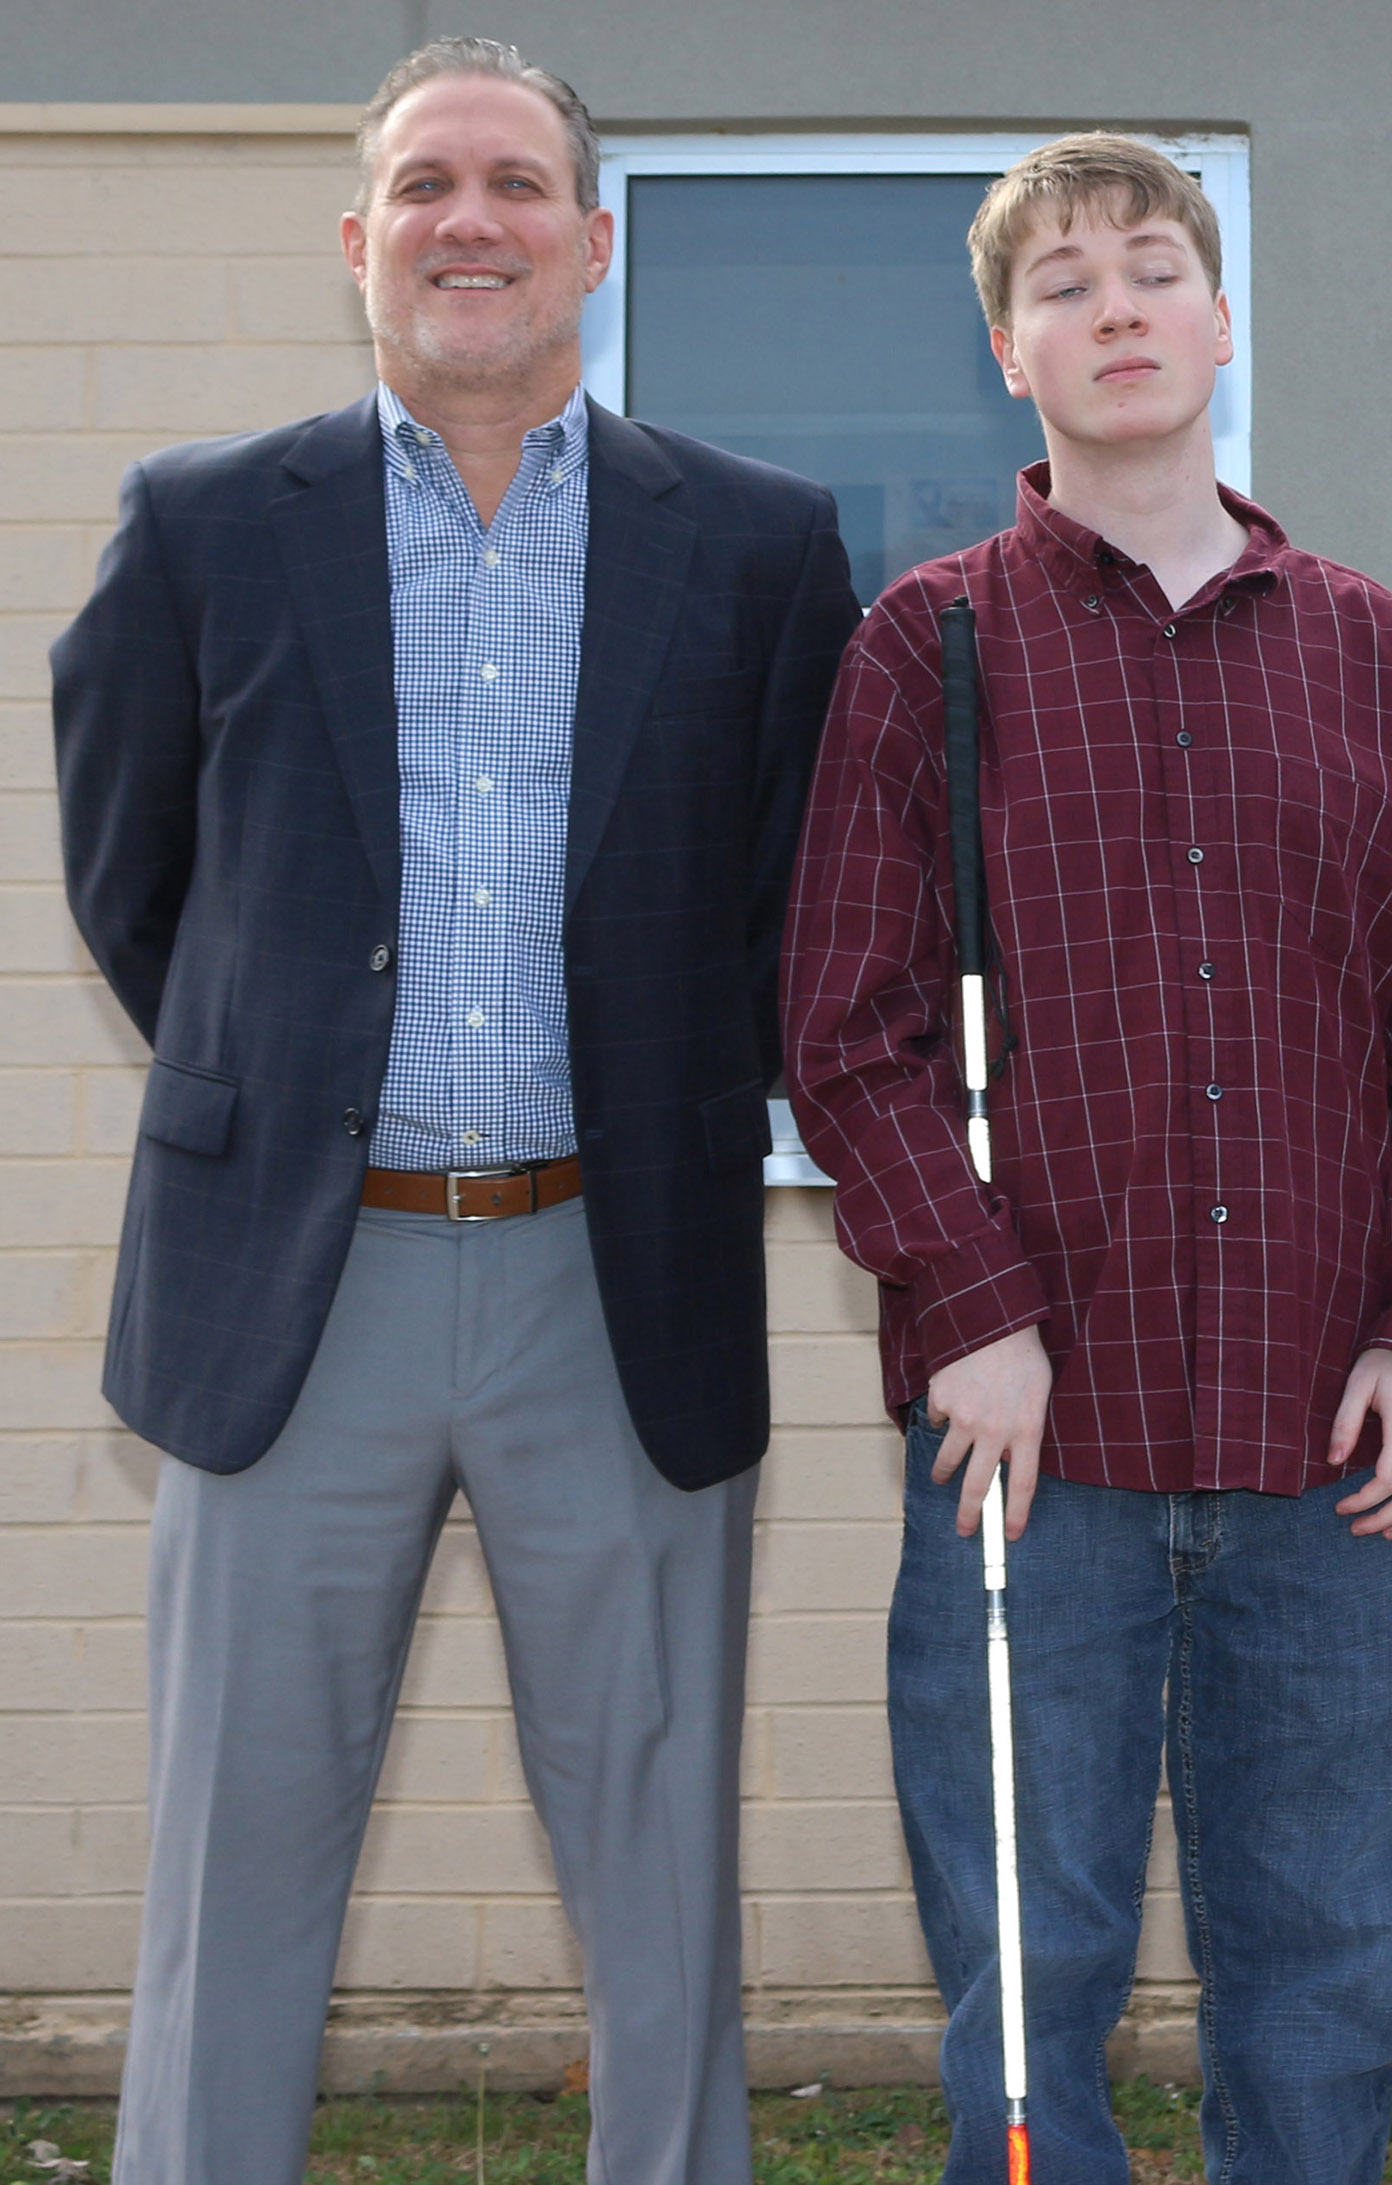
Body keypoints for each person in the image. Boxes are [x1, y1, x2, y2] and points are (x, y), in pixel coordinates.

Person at [50, 36, 859, 2185]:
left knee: (661, 1870)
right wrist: (301, 1082)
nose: (469, 219)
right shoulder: (210, 525)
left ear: (593, 243)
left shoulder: (764, 547)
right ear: (358, 243)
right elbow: (136, 889)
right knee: (233, 1867)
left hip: (625, 1279)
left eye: (515, 182)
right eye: (423, 186)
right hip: (296, 1298)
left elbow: (802, 909)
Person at [780, 134, 1392, 2185]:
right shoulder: (925, 648)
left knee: (1322, 1973)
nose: (1115, 309)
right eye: (1067, 286)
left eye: (1153, 270)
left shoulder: (1366, 647)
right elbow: (849, 1030)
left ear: (1218, 317)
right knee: (1031, 1982)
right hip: (1037, 1454)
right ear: (1010, 351)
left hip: (1325, 1456)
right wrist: (974, 1307)